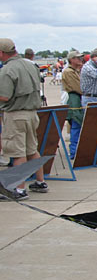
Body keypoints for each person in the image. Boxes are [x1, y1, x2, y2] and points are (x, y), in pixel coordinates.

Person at [0, 38, 48, 199]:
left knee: (17, 152)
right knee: (32, 149)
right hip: (32, 113)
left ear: (2, 53)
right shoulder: (30, 65)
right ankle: (40, 182)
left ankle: (18, 189)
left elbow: (4, 96)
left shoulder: (8, 70)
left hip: (16, 115)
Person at [61, 50, 84, 159]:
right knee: (76, 124)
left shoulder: (75, 71)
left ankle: (76, 149)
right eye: (77, 58)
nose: (80, 60)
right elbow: (78, 88)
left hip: (76, 98)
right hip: (74, 98)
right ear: (71, 59)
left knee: (77, 125)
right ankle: (73, 151)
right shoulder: (69, 72)